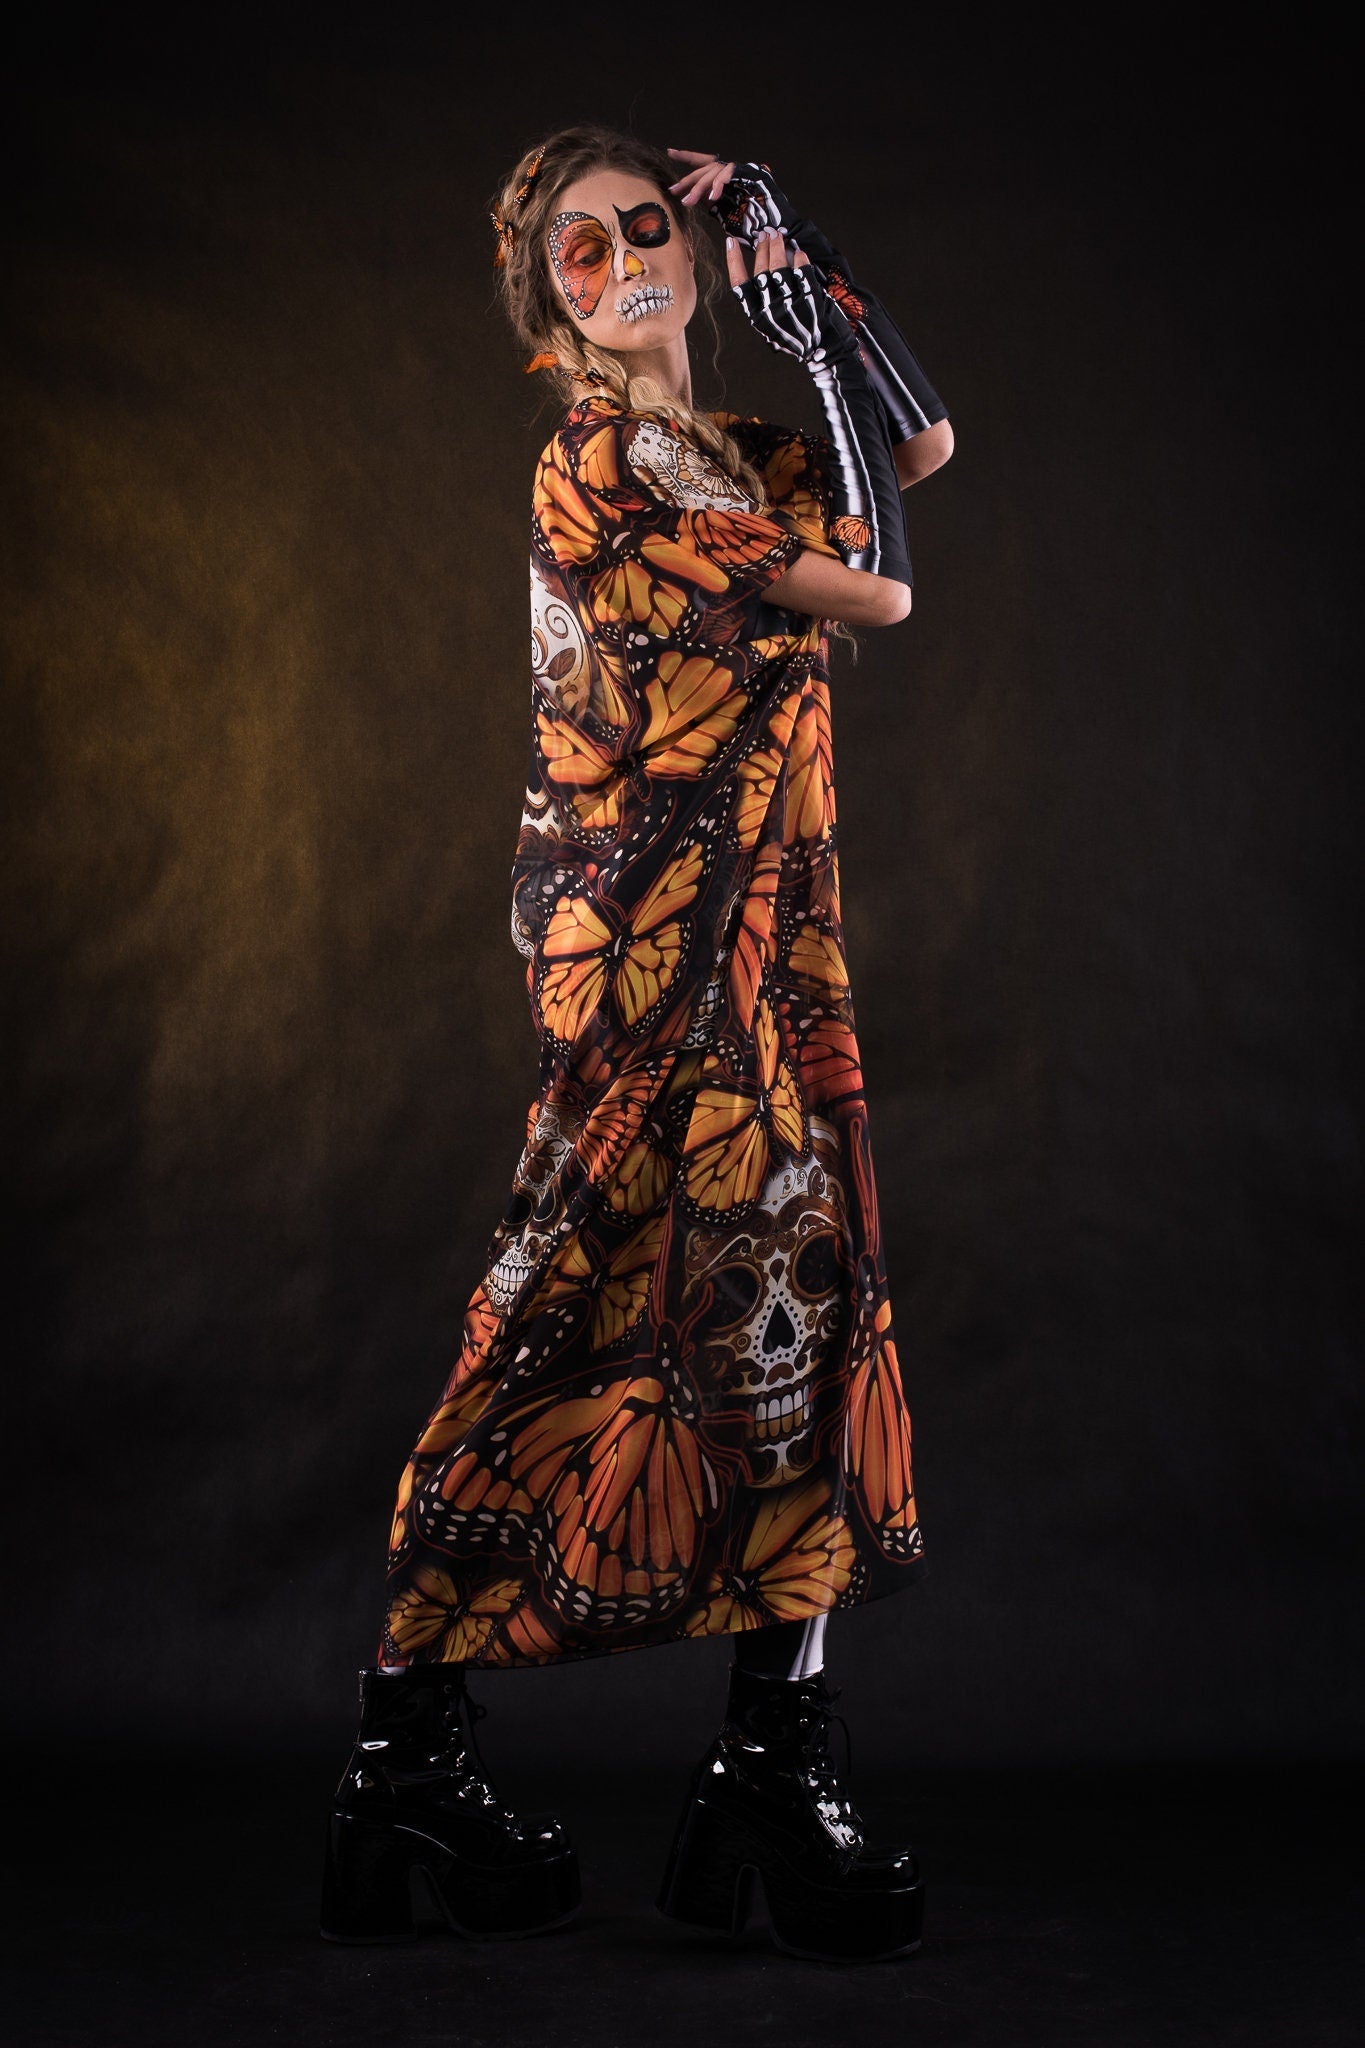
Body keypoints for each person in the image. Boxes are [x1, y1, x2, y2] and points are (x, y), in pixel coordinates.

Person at [320, 123, 954, 1965]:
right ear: (554, 314)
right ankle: (410, 1750)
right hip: (654, 950)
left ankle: (757, 1748)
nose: (621, 267)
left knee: (796, 1305)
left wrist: (800, 251)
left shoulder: (727, 452)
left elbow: (909, 450)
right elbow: (884, 582)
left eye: (644, 229)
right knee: (575, 1305)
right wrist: (801, 322)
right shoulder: (601, 462)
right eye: (578, 258)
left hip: (758, 939)